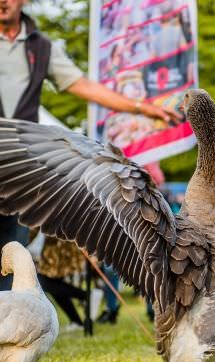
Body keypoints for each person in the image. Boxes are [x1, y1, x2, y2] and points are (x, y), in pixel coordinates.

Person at [0, 0, 181, 291]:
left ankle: (3, 325)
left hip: (19, 165)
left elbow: (84, 86)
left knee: (11, 249)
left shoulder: (41, 48)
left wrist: (142, 108)